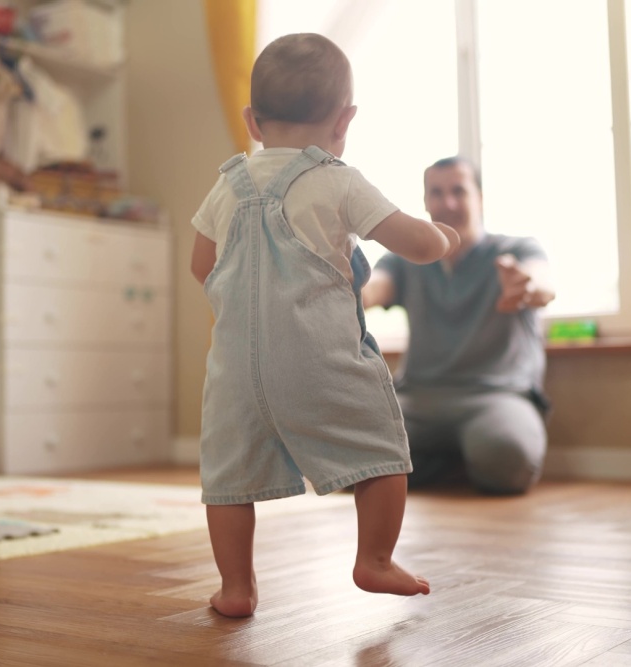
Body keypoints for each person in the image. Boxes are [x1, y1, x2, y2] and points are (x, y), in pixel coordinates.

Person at [190, 33, 460, 618]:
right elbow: (415, 245)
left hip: (234, 370)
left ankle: (236, 588)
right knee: (383, 450)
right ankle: (375, 560)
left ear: (252, 121)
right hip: (319, 360)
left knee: (229, 479)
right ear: (345, 119)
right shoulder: (337, 179)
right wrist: (443, 235)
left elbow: (200, 266)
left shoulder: (226, 184)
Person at [362, 156, 556, 496]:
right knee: (354, 458)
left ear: (479, 197)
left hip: (496, 396)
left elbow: (542, 285)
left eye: (458, 191)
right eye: (436, 193)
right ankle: (454, 463)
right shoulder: (404, 261)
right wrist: (346, 287)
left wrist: (525, 287)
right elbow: (374, 288)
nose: (447, 203)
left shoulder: (517, 249)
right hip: (417, 399)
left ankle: (437, 462)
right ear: (425, 202)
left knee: (508, 462)